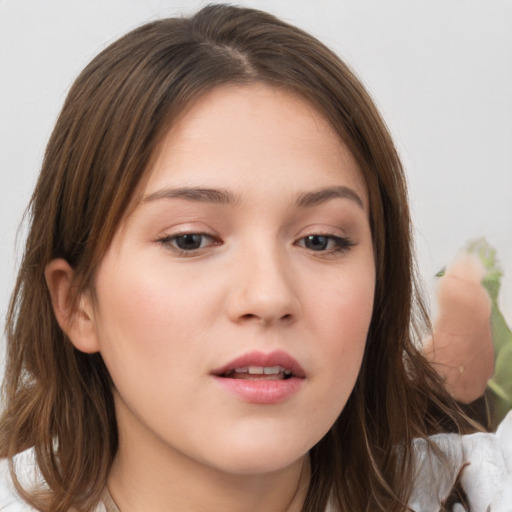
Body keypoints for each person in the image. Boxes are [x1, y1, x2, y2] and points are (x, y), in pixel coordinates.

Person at [0, 4, 508, 512]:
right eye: (190, 240)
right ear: (76, 304)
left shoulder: (479, 490)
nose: (268, 297)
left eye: (320, 240)